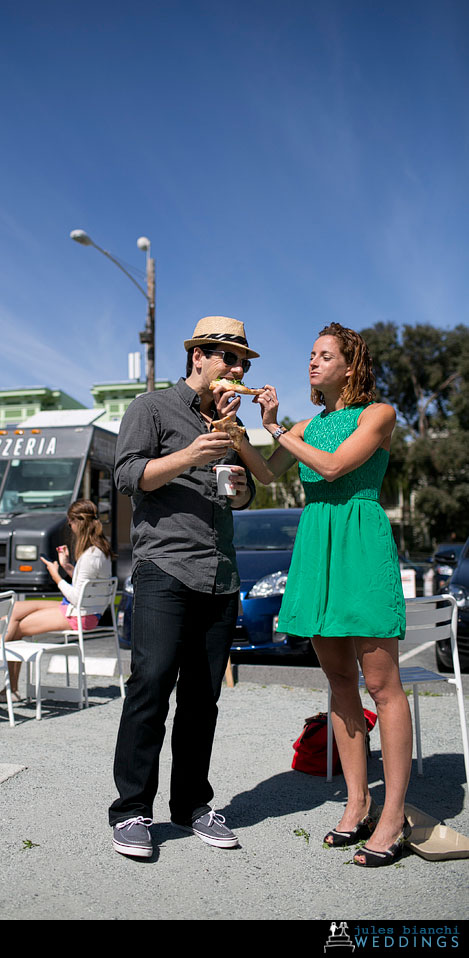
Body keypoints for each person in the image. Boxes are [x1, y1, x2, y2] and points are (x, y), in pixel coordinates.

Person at [237, 322, 411, 868]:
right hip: (317, 547)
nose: (312, 362)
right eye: (311, 354)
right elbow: (265, 473)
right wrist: (247, 431)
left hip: (358, 541)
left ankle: (393, 814)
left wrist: (280, 429)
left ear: (350, 365)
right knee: (339, 683)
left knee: (383, 686)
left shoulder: (378, 414)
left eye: (324, 355)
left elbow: (335, 467)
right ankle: (357, 802)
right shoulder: (310, 424)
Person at [109, 315, 256, 858]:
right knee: (150, 686)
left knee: (203, 699)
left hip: (220, 574)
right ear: (197, 355)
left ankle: (192, 804)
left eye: (241, 361)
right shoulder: (150, 408)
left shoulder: (231, 423)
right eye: (227, 357)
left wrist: (239, 486)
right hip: (164, 569)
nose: (236, 369)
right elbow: (129, 477)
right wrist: (190, 455)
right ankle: (130, 811)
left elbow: (242, 499)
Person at [0, 499, 112, 703]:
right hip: (85, 610)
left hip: (80, 614)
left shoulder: (89, 556)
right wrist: (67, 566)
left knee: (17, 625)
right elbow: (86, 585)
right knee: (14, 610)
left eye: (70, 522)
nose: (69, 527)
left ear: (77, 522)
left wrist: (57, 577)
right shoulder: (99, 551)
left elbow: (77, 596)